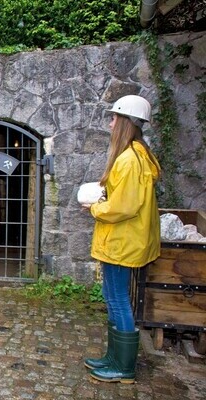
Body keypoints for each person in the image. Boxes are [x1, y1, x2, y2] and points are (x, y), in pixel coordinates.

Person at [83, 95, 161, 384]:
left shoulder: (128, 159)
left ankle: (124, 367)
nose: (110, 122)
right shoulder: (138, 154)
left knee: (117, 300)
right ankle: (114, 358)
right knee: (113, 298)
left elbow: (123, 207)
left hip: (121, 241)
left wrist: (94, 207)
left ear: (126, 122)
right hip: (123, 240)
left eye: (114, 117)